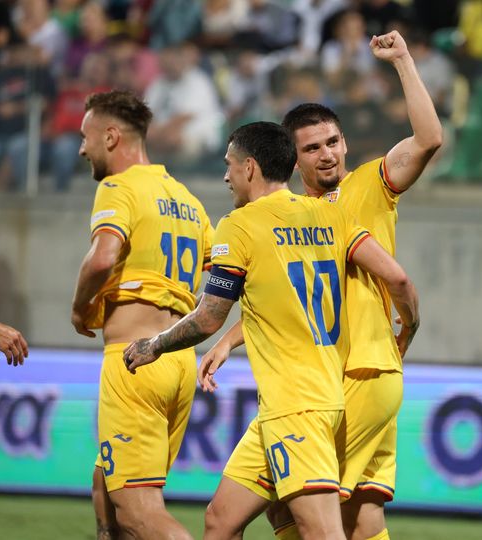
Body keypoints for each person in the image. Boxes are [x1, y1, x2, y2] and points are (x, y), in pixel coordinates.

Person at [123, 121, 420, 540]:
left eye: (229, 165)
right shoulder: (330, 215)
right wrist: (409, 325)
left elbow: (208, 317)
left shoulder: (239, 225)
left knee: (324, 531)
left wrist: (155, 345)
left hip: (297, 406)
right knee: (221, 520)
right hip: (305, 400)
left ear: (249, 167)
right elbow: (398, 279)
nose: (226, 176)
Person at [205, 29, 441, 540]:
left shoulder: (370, 185)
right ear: (293, 159)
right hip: (338, 376)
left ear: (346, 143)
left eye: (333, 142)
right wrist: (228, 340)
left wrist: (403, 61)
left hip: (357, 372)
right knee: (359, 516)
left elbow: (428, 140)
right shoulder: (293, 217)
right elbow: (287, 301)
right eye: (312, 148)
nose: (327, 154)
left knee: (297, 508)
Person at [70, 90, 213, 539]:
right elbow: (226, 269)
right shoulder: (187, 200)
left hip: (134, 360)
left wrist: (80, 309)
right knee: (109, 481)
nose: (81, 148)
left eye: (86, 136)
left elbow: (101, 259)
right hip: (176, 360)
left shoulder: (119, 187)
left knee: (138, 513)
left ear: (111, 137)